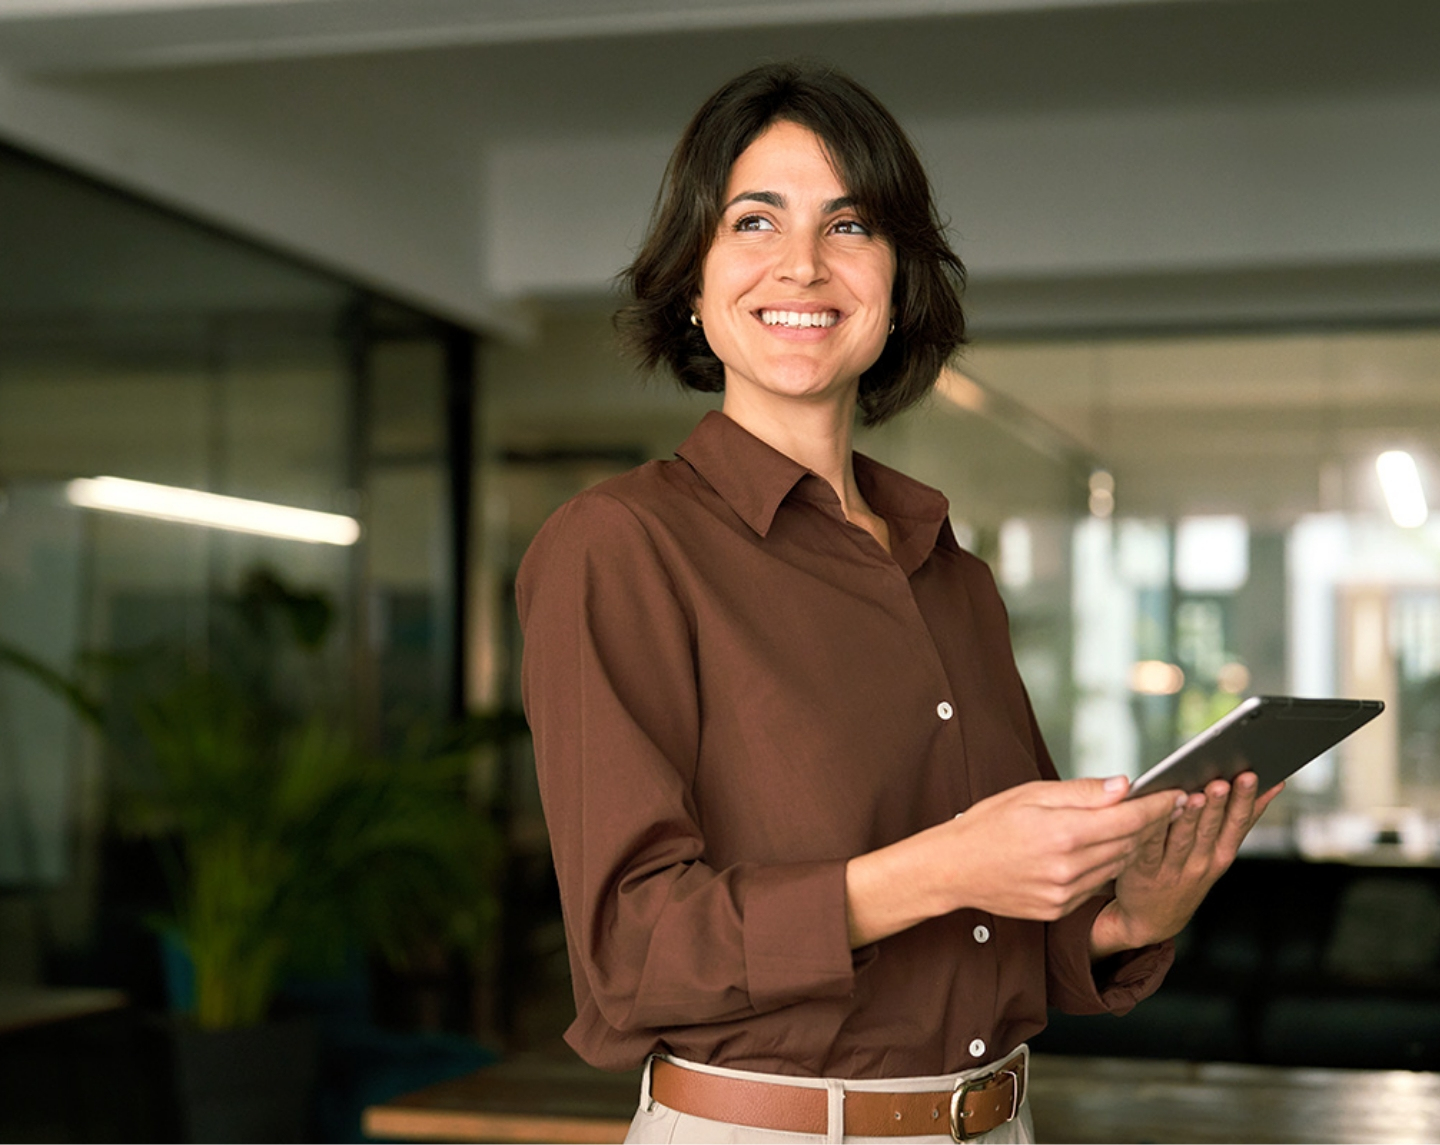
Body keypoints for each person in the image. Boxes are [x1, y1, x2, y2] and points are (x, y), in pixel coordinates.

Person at [516, 61, 1280, 1144]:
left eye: (851, 225)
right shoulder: (619, 546)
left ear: (897, 280)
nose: (804, 265)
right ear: (692, 276)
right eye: (753, 221)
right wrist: (943, 865)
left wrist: (1126, 915)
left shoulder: (951, 575)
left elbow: (995, 938)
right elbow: (634, 951)